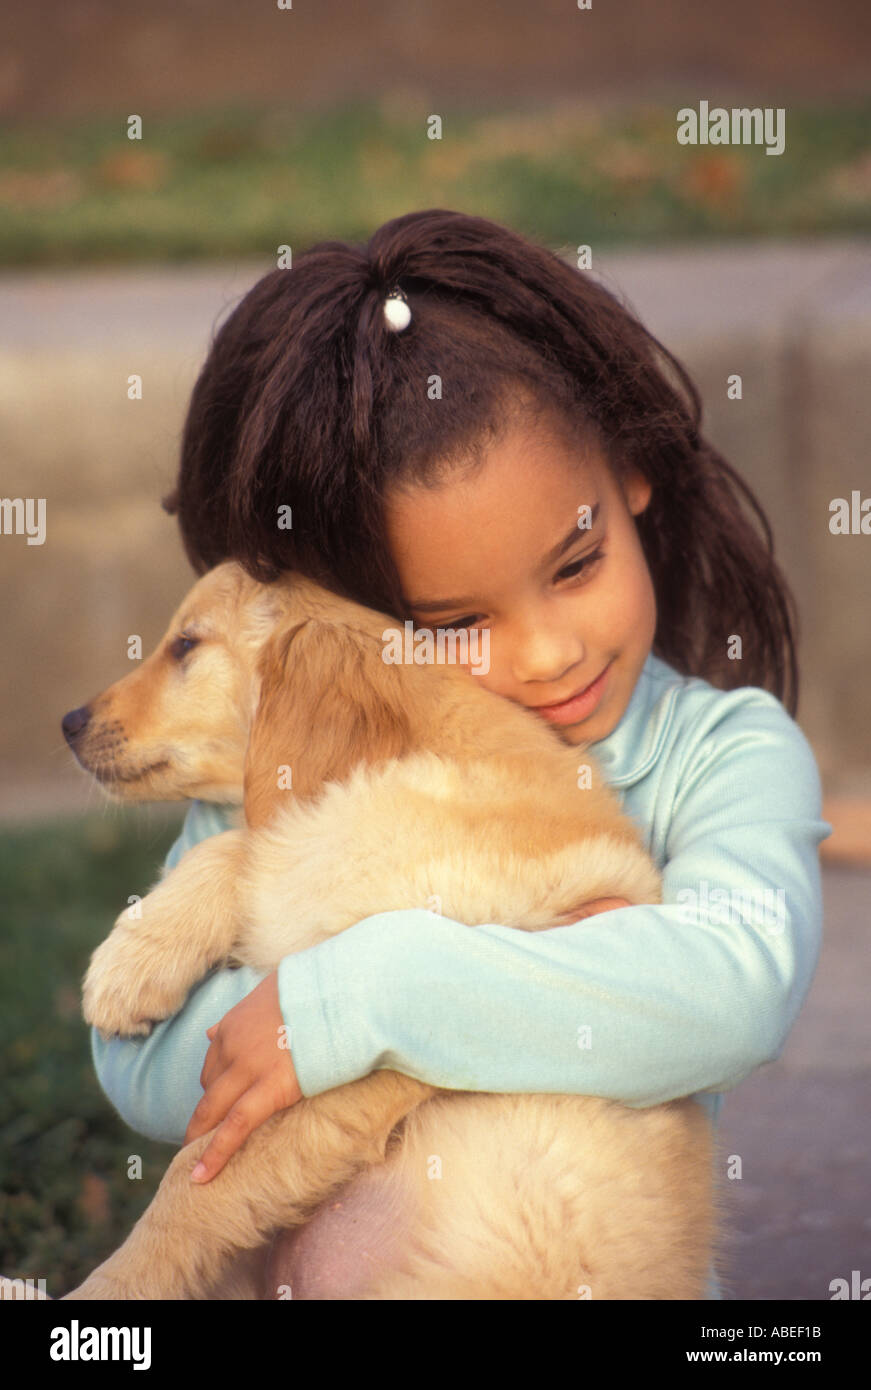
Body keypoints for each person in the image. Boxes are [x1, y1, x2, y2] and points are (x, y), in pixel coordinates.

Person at [91, 208, 831, 1300]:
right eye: (455, 622)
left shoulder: (720, 752)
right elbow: (141, 1063)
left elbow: (726, 991)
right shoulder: (313, 761)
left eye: (574, 564)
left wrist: (357, 998)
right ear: (373, 620)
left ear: (630, 474)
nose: (547, 650)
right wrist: (523, 971)